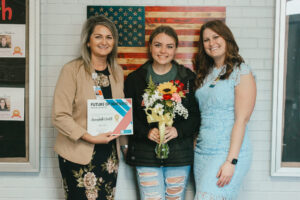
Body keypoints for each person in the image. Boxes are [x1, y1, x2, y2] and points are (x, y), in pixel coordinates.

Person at [52, 15, 127, 200]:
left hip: (108, 156)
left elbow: (120, 110)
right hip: (78, 153)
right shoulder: (72, 70)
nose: (104, 41)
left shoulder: (116, 71)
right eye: (98, 36)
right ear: (87, 41)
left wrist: (124, 145)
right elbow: (59, 115)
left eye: (109, 37)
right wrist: (89, 137)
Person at [124, 25, 200, 200]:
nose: (163, 51)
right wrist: (146, 132)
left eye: (169, 46)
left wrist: (177, 131)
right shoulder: (135, 79)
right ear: (150, 47)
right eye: (158, 45)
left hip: (179, 154)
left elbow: (195, 116)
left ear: (176, 49)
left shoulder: (188, 78)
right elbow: (128, 117)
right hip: (145, 154)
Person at [193, 20, 256, 199]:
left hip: (227, 152)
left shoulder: (241, 71)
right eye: (206, 40)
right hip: (203, 152)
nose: (211, 43)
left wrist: (231, 161)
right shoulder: (207, 73)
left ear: (227, 38)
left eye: (216, 37)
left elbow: (241, 120)